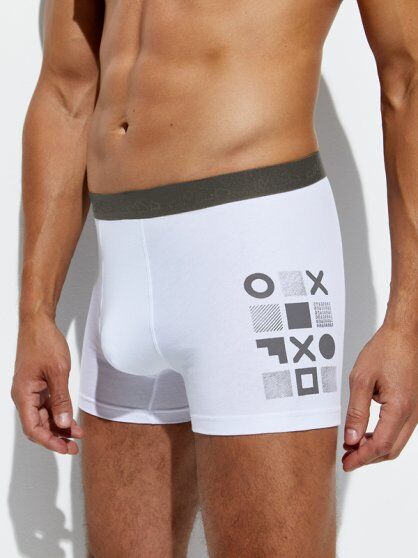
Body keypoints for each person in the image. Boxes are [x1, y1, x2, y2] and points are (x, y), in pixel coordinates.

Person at [11, 1, 417, 556]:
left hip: (258, 249)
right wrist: (35, 313)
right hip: (123, 263)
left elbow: (408, 78)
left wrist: (407, 323)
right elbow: (67, 90)